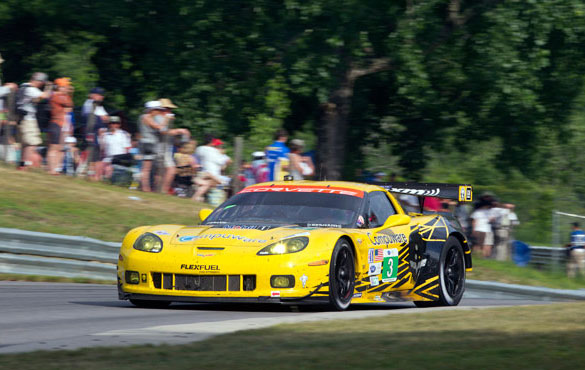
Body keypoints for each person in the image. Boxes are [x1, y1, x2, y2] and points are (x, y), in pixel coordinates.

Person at [17, 72, 52, 168]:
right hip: (28, 120)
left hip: (23, 119)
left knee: (25, 144)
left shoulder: (23, 87)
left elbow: (36, 100)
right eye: (41, 82)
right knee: (32, 143)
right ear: (38, 81)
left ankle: (22, 165)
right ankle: (25, 165)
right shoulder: (30, 89)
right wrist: (49, 87)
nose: (41, 85)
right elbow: (45, 96)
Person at [192, 135, 231, 202]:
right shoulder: (214, 151)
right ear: (212, 143)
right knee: (224, 184)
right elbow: (227, 161)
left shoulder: (199, 149)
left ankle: (200, 197)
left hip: (201, 174)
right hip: (213, 175)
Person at [47, 77, 73, 174]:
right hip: (56, 123)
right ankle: (51, 169)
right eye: (66, 86)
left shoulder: (64, 96)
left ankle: (56, 169)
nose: (68, 88)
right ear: (60, 87)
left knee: (59, 148)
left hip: (63, 124)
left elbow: (69, 106)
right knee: (53, 147)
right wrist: (69, 94)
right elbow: (68, 103)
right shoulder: (56, 96)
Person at [81, 87, 109, 179]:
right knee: (89, 153)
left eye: (102, 95)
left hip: (97, 134)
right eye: (99, 95)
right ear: (92, 95)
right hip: (91, 133)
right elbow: (90, 119)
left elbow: (106, 118)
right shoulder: (89, 104)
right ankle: (83, 173)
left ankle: (94, 176)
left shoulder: (99, 106)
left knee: (97, 156)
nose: (101, 97)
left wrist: (102, 119)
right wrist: (101, 119)